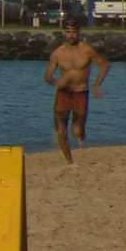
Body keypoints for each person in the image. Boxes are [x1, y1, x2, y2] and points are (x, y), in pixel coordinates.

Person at [44, 17, 110, 164]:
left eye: (74, 32)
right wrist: (56, 81)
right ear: (63, 33)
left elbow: (105, 65)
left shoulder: (86, 50)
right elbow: (48, 76)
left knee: (77, 131)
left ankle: (81, 131)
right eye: (68, 32)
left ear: (78, 33)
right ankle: (69, 162)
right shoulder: (57, 53)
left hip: (81, 93)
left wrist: (96, 85)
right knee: (61, 128)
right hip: (64, 93)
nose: (71, 35)